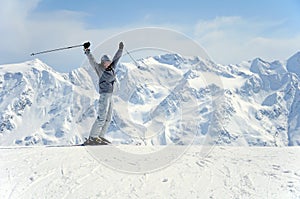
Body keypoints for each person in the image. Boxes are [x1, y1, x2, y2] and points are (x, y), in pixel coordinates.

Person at [83, 41, 124, 145]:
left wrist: (120, 49)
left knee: (108, 117)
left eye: (109, 62)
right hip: (104, 95)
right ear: (102, 62)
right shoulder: (99, 68)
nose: (107, 64)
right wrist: (87, 50)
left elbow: (117, 58)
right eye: (106, 62)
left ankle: (100, 136)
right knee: (102, 116)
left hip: (111, 95)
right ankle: (92, 137)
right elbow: (92, 60)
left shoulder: (112, 68)